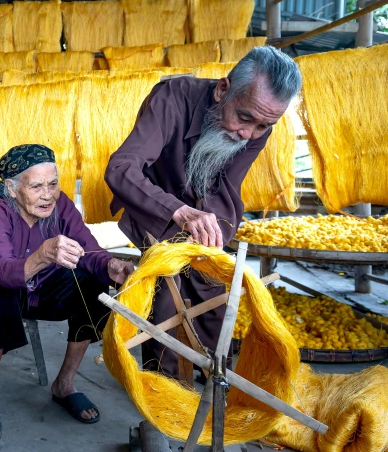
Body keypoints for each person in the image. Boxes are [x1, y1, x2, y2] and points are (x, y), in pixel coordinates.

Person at [105, 46, 302, 378]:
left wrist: (209, 238)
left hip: (206, 210)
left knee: (214, 289)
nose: (247, 134)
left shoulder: (257, 127)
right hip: (154, 205)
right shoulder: (173, 97)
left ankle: (211, 371)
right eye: (244, 118)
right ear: (223, 90)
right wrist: (179, 211)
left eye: (262, 126)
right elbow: (122, 168)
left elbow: (225, 187)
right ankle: (162, 385)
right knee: (167, 293)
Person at [0, 144, 133, 442]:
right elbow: (1, 270)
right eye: (36, 186)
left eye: (53, 183)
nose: (48, 194)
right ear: (12, 189)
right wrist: (43, 254)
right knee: (0, 292)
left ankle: (64, 384)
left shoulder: (60, 205)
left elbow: (88, 249)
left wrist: (111, 265)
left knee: (92, 285)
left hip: (39, 284)